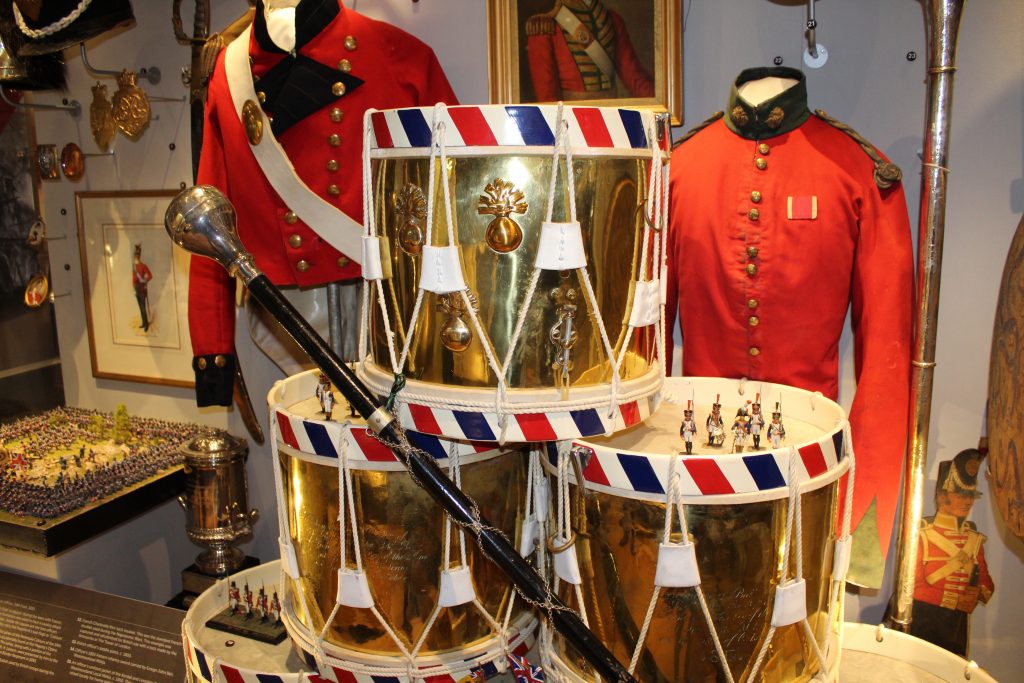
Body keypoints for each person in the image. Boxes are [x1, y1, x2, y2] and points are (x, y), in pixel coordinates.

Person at [667, 67, 912, 585]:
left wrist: (859, 531)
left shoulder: (861, 173)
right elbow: (642, 345)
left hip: (807, 478)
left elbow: (888, 360)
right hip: (691, 472)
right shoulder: (676, 168)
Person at [188, 0, 458, 408]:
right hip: (283, 306)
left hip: (384, 302)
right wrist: (213, 353)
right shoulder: (229, 74)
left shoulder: (399, 53)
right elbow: (210, 222)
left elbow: (454, 195)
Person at [909, 449, 994, 657]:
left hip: (955, 629)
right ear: (941, 497)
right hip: (923, 622)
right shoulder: (922, 535)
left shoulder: (974, 539)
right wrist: (955, 601)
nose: (967, 502)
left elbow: (987, 583)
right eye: (960, 494)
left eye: (970, 495)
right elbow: (912, 588)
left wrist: (978, 593)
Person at [525, 0, 654, 102]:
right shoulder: (545, 26)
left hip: (611, 117)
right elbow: (547, 97)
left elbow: (635, 77)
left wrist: (661, 103)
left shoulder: (613, 21)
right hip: (569, 123)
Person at [132, 244, 153, 332]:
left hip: (141, 288)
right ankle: (144, 323)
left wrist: (144, 280)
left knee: (143, 307)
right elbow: (133, 278)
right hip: (136, 288)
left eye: (137, 256)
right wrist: (133, 288)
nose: (135, 258)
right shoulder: (134, 267)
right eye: (135, 256)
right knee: (140, 308)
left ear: (139, 256)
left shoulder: (143, 266)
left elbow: (150, 276)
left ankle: (147, 324)